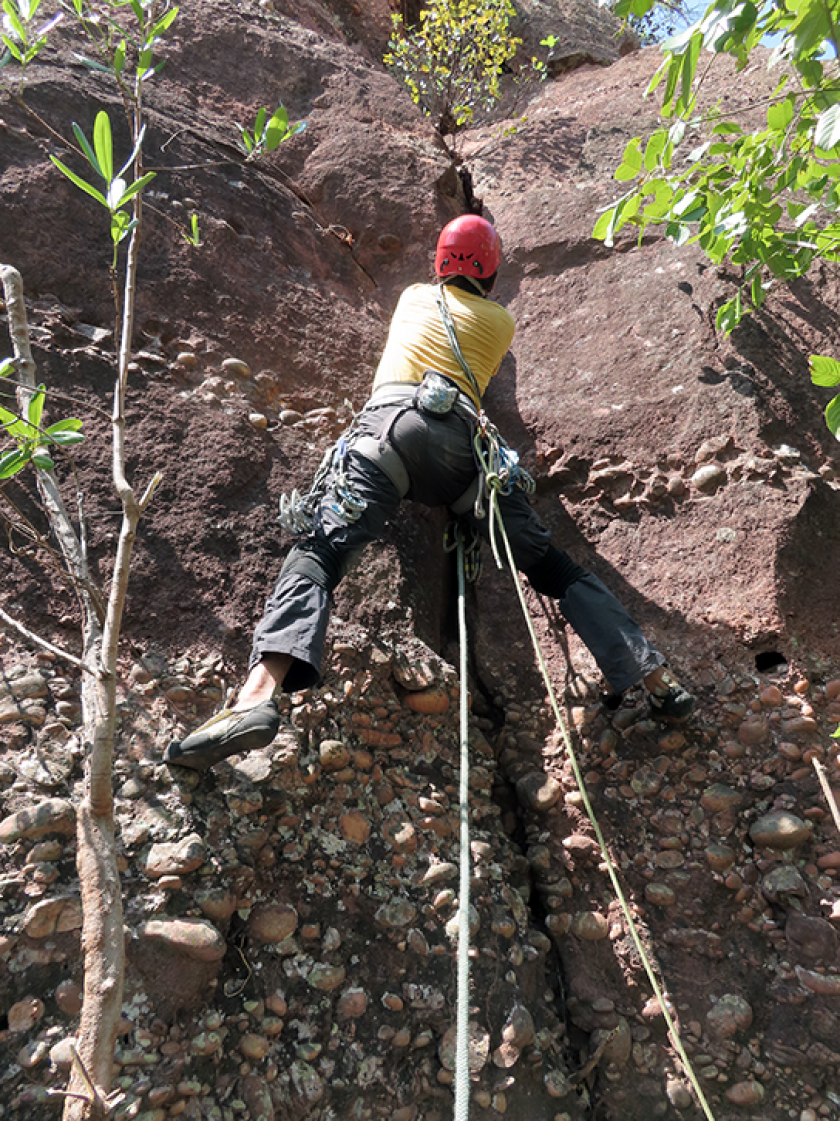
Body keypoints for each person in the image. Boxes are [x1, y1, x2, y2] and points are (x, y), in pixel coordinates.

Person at [165, 215, 694, 770]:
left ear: (440, 263)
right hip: (467, 453)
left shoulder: (413, 297)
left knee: (318, 553)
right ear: (489, 272)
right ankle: (656, 679)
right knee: (550, 567)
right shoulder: (501, 323)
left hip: (388, 433)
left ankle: (255, 697)